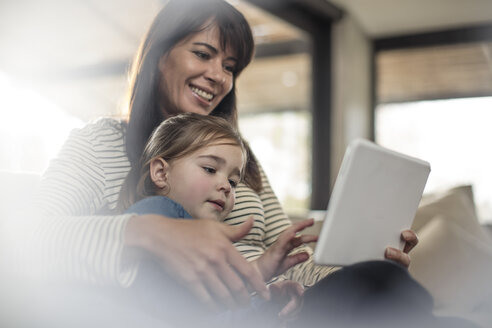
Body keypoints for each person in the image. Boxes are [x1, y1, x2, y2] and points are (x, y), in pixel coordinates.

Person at [14, 0, 426, 326]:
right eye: (203, 54)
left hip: (271, 312)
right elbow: (28, 240)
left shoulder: (243, 162)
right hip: (174, 307)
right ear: (160, 56)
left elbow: (293, 264)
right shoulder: (101, 143)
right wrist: (150, 232)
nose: (219, 76)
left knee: (385, 281)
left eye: (230, 67)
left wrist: (362, 264)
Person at [118, 112, 314, 325]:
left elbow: (224, 316)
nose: (226, 186)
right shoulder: (152, 214)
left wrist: (271, 305)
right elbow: (171, 306)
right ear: (161, 173)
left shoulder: (214, 252)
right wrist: (255, 272)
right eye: (210, 169)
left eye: (233, 182)